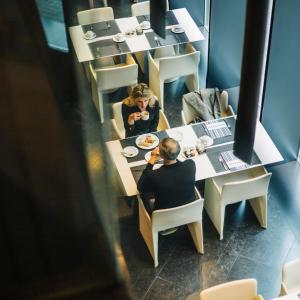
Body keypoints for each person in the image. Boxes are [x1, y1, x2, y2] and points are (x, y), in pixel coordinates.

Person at [137, 138, 196, 216]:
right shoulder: (190, 164)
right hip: (189, 212)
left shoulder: (154, 175)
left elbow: (140, 187)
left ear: (161, 155)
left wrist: (153, 158)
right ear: (178, 152)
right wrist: (171, 155)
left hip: (163, 216)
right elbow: (179, 166)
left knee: (142, 195)